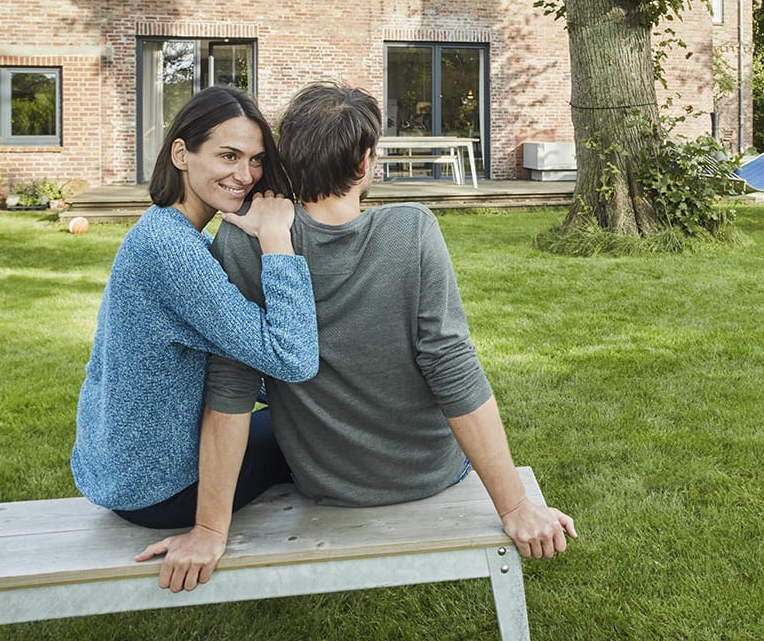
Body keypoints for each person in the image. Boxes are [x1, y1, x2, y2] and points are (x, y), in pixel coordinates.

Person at [139, 83, 576, 592]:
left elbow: (230, 390)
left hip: (326, 480)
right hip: (430, 472)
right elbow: (452, 367)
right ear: (365, 162)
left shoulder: (244, 238)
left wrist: (210, 530)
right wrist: (517, 507)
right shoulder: (412, 229)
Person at [71, 86, 319, 533]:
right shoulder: (171, 251)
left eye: (256, 159)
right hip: (162, 489)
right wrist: (277, 239)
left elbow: (249, 365)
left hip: (124, 471)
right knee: (336, 433)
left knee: (313, 417)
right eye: (228, 156)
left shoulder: (171, 233)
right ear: (182, 154)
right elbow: (291, 357)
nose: (246, 175)